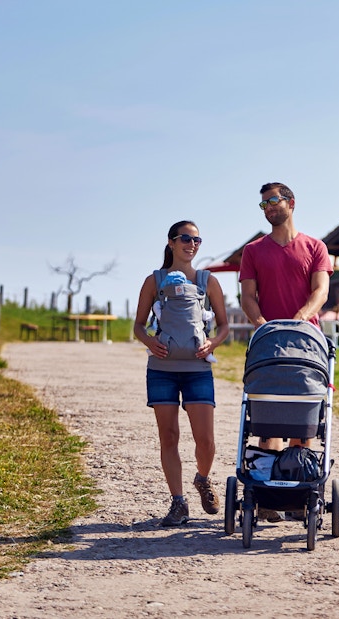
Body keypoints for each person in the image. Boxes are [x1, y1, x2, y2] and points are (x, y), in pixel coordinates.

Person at [239, 182, 333, 521]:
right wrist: (264, 324)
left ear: (291, 203)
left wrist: (298, 320)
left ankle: (297, 492)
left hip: (307, 346)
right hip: (269, 347)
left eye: (274, 201)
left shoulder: (314, 247)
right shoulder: (253, 251)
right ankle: (267, 497)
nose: (268, 207)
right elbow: (247, 296)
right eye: (263, 203)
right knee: (267, 424)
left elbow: (320, 291)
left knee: (302, 423)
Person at [134, 220, 229, 527]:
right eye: (185, 239)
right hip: (161, 370)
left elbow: (224, 325)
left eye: (197, 240)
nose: (192, 244)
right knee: (169, 437)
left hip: (198, 369)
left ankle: (202, 479)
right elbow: (138, 325)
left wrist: (212, 343)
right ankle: (178, 503)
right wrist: (150, 342)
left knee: (206, 440)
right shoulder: (154, 280)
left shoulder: (208, 281)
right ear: (171, 243)